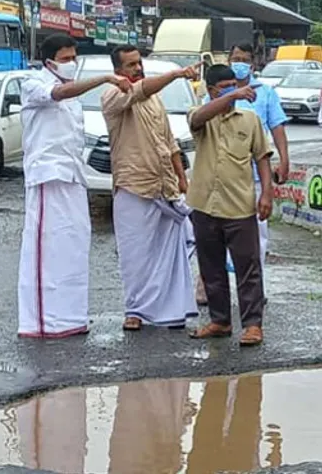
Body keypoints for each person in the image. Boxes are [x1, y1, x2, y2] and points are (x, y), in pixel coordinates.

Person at [17, 34, 132, 338]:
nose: (73, 63)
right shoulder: (33, 83)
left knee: (73, 246)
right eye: (67, 59)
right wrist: (106, 77)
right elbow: (59, 93)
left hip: (72, 175)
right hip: (47, 175)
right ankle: (41, 323)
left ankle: (69, 318)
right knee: (47, 248)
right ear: (50, 61)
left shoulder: (75, 99)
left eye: (74, 57)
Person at [101, 45, 200, 330]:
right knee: (136, 254)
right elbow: (139, 90)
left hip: (164, 185)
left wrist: (182, 178)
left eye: (139, 62)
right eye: (130, 65)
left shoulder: (155, 100)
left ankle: (167, 310)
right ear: (118, 70)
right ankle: (134, 311)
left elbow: (169, 142)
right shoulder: (112, 95)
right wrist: (177, 73)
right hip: (133, 185)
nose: (137, 68)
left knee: (167, 250)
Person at [186, 64, 273, 346]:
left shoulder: (249, 120)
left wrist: (267, 194)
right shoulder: (201, 117)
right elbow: (198, 117)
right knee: (211, 267)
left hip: (240, 205)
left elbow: (262, 157)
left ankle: (252, 325)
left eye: (234, 86)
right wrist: (226, 98)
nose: (233, 92)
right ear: (211, 91)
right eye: (225, 87)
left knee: (248, 267)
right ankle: (220, 321)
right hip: (204, 205)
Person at [196, 43, 289, 304]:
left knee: (254, 239)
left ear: (252, 63)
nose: (240, 63)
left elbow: (276, 130)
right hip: (219, 179)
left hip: (254, 179)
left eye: (244, 59)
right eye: (235, 58)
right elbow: (199, 123)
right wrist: (229, 95)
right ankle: (211, 290)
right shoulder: (214, 94)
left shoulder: (266, 93)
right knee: (214, 236)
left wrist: (284, 160)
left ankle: (254, 293)